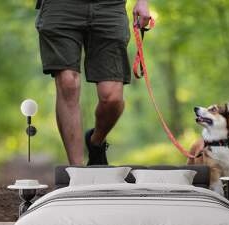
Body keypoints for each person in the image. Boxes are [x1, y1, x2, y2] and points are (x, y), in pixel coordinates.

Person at [35, 0, 150, 165]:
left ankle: (96, 142)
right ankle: (78, 172)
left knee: (112, 98)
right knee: (68, 83)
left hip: (109, 7)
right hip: (60, 6)